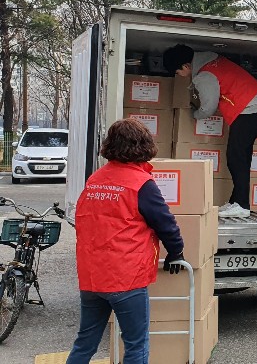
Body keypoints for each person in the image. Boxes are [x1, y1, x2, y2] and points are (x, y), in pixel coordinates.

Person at [66, 119, 185, 364]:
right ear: (144, 145)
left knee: (85, 343)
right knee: (136, 346)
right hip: (125, 278)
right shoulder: (141, 184)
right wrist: (176, 252)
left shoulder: (95, 180)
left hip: (92, 278)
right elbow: (165, 224)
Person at [164, 44, 257, 218]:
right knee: (240, 156)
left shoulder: (205, 75)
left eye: (177, 72)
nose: (179, 76)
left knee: (236, 158)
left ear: (186, 66)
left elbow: (209, 107)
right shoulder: (210, 59)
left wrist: (194, 114)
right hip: (252, 105)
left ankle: (242, 205)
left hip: (249, 108)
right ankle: (236, 202)